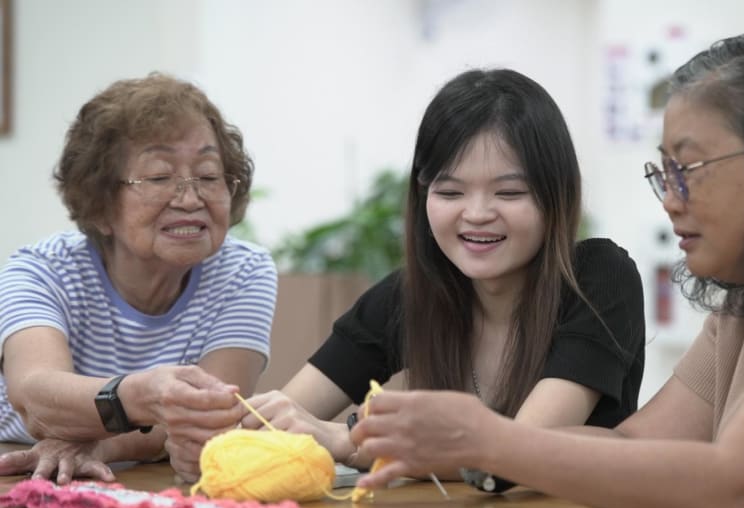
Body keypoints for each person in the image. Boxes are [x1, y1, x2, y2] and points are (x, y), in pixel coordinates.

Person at [350, 28, 744, 508]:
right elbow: (632, 441)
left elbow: (738, 483)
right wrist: (489, 446)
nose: (669, 198)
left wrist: (488, 440)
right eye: (665, 173)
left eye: (688, 168)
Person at [241, 68, 645, 485]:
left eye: (509, 193)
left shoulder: (598, 277)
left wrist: (348, 441)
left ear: (558, 196)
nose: (476, 214)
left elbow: (523, 450)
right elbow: (278, 419)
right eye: (450, 192)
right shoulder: (409, 294)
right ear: (423, 197)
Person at [0, 73, 277, 484]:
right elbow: (35, 396)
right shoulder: (41, 270)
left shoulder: (243, 272)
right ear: (99, 204)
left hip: (137, 475)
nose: (190, 198)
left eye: (207, 175)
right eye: (160, 178)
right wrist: (137, 396)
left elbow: (209, 416)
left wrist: (102, 445)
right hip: (22, 468)